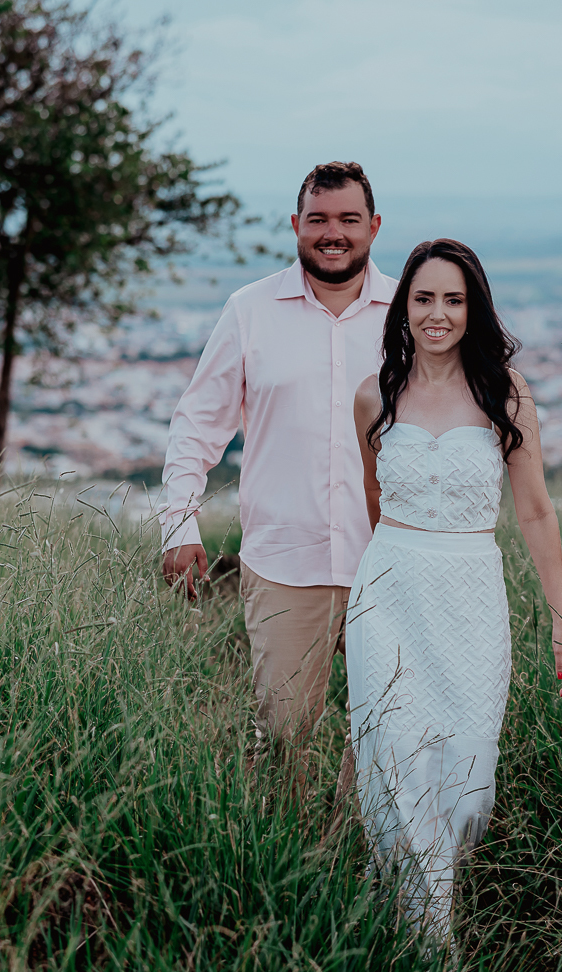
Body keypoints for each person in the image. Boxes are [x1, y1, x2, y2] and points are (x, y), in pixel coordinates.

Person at [346, 238, 562, 946]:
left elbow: (535, 510)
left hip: (470, 597)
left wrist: (560, 619)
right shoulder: (373, 395)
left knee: (464, 768)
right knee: (392, 755)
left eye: (453, 299)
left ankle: (411, 910)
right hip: (388, 592)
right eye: (423, 298)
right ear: (403, 308)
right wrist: (378, 584)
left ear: (472, 308)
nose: (437, 314)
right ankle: (426, 947)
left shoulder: (505, 397)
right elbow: (371, 496)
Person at [160, 162, 397, 788]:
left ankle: (365, 860)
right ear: (296, 226)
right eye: (318, 219)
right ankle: (289, 873)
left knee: (395, 737)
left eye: (349, 219)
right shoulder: (249, 311)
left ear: (374, 226)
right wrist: (178, 524)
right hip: (286, 565)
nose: (333, 232)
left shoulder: (410, 313)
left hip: (395, 565)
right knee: (284, 745)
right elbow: (196, 424)